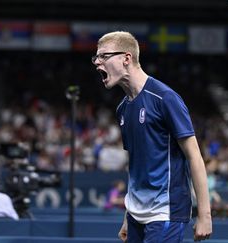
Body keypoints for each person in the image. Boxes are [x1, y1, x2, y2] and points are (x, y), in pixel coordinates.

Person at [92, 31, 212, 242]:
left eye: (104, 56)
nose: (97, 62)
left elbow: (194, 156)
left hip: (165, 211)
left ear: (126, 58)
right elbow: (137, 166)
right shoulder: (122, 109)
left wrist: (205, 215)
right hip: (136, 215)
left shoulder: (165, 98)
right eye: (96, 57)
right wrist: (128, 214)